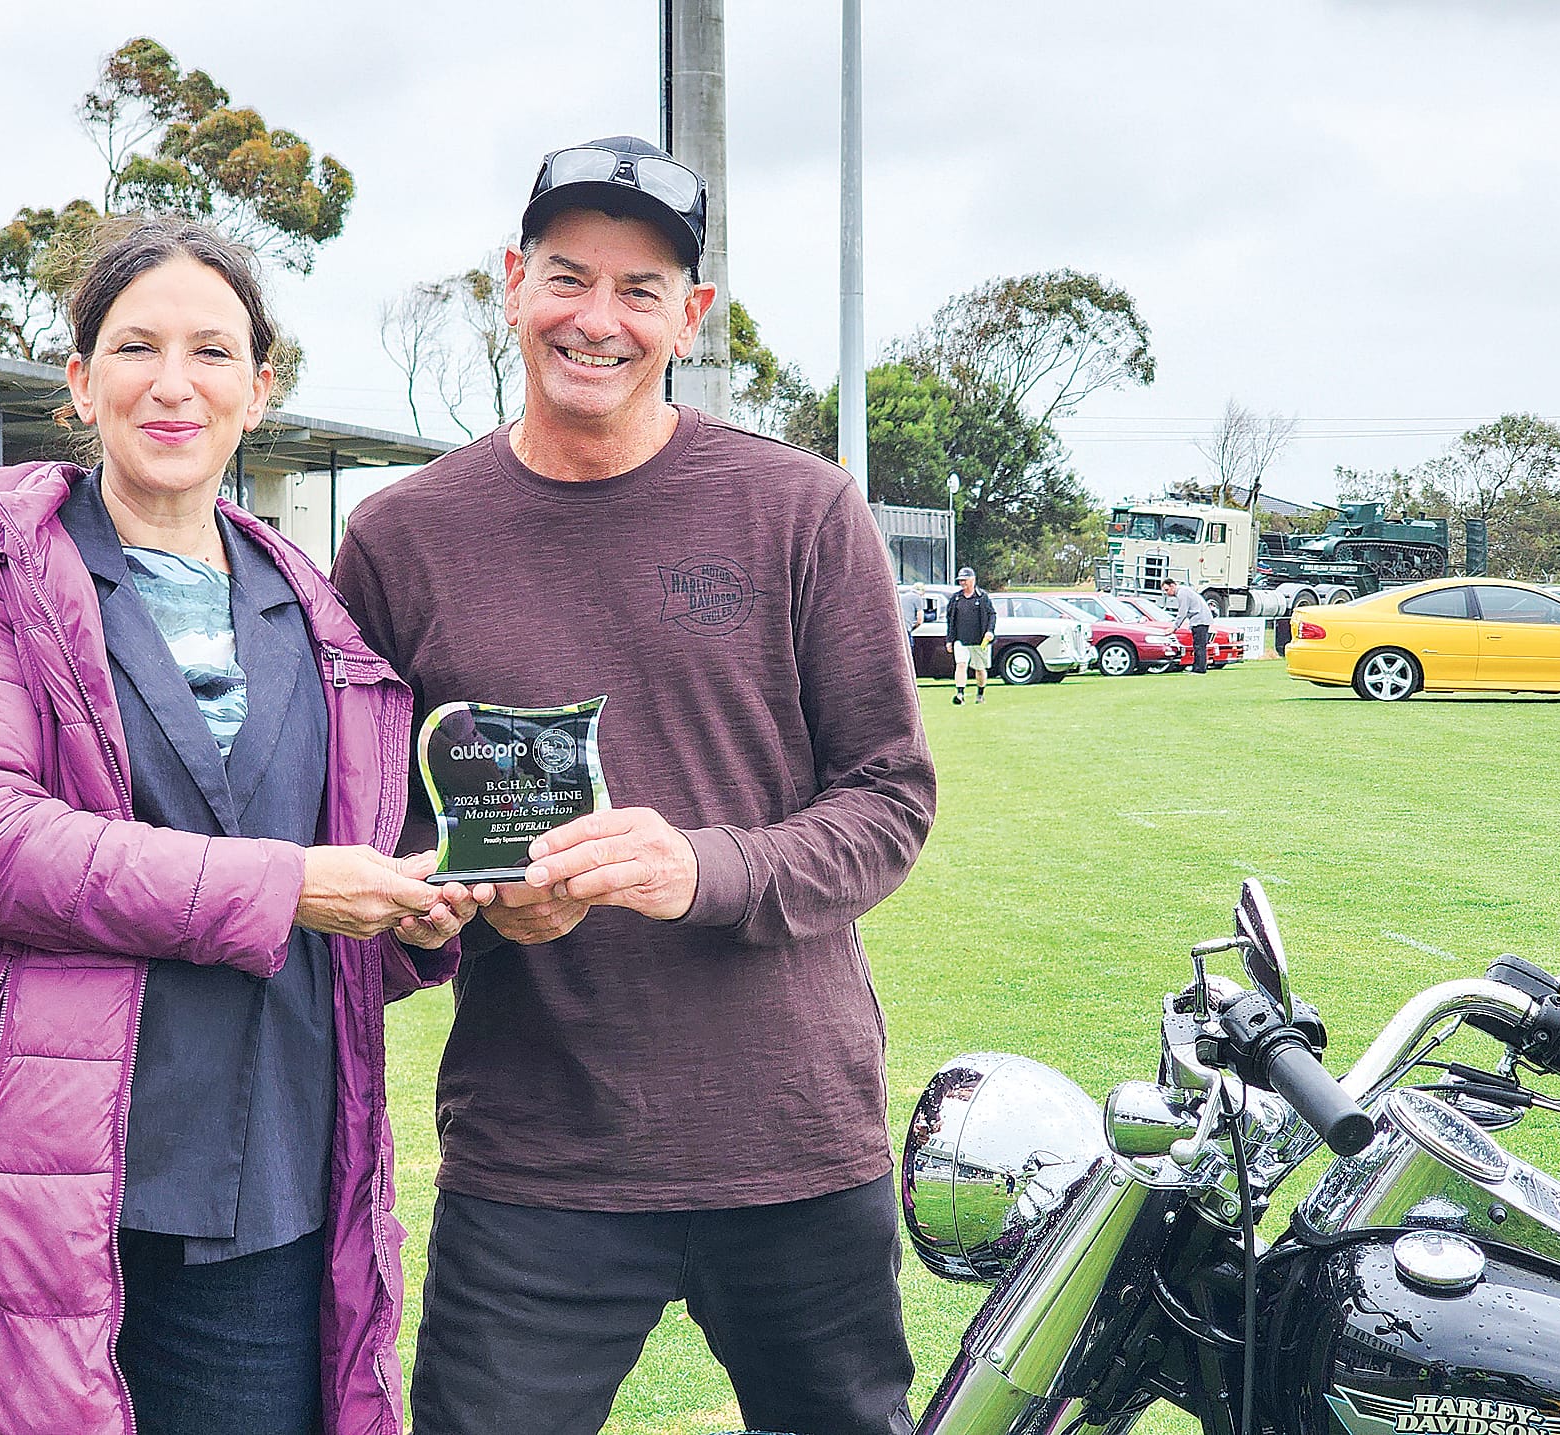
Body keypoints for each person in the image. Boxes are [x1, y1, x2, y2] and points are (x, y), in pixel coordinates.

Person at [0, 216, 492, 1435]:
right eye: (135, 346)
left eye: (212, 351)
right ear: (79, 380)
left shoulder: (318, 620)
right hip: (24, 1178)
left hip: (265, 1198)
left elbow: (338, 902)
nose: (174, 384)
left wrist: (422, 910)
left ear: (258, 389)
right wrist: (286, 885)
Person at [332, 135, 937, 1435]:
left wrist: (699, 866)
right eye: (567, 275)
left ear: (689, 315)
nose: (595, 319)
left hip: (788, 1134)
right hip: (536, 1154)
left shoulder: (801, 509)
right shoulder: (400, 537)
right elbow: (381, 828)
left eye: (639, 288)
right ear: (511, 282)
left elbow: (889, 795)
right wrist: (452, 901)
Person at [946, 565, 997, 704]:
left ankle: (980, 694)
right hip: (960, 640)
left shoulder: (982, 597)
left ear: (973, 580)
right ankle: (960, 694)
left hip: (979, 640)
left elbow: (992, 615)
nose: (962, 583)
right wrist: (949, 640)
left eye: (965, 580)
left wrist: (989, 631)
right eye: (960, 581)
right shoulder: (956, 598)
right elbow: (950, 619)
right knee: (961, 665)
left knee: (979, 669)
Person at [1164, 575, 1214, 673]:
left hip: (1200, 620)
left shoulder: (1182, 593)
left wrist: (1174, 627)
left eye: (1167, 590)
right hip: (1200, 619)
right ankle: (1197, 667)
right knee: (1198, 645)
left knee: (1199, 646)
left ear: (1173, 586)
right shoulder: (1184, 591)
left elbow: (1182, 612)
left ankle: (1199, 669)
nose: (1166, 593)